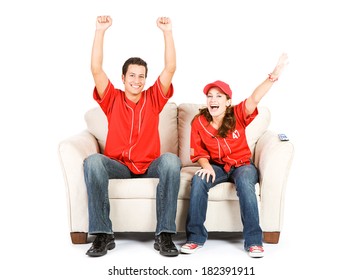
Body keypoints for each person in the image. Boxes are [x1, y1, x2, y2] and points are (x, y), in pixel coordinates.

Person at [83, 15, 181, 257]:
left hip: (149, 165)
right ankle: (103, 234)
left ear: (145, 79)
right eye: (132, 75)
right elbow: (96, 68)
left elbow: (170, 68)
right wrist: (100, 31)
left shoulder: (154, 98)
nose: (137, 80)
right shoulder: (112, 98)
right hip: (120, 166)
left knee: (171, 160)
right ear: (123, 78)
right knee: (93, 161)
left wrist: (167, 32)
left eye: (141, 76)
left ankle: (165, 234)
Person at [180, 53, 289, 258]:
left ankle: (254, 242)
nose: (213, 99)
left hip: (241, 165)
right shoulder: (199, 122)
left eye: (218, 96)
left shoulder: (238, 113)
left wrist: (273, 76)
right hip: (216, 166)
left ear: (228, 102)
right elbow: (198, 152)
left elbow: (255, 97)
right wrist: (206, 166)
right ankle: (195, 238)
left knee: (246, 184)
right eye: (210, 96)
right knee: (198, 181)